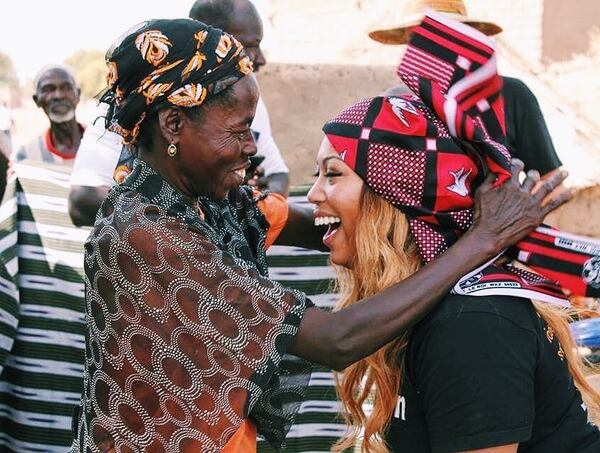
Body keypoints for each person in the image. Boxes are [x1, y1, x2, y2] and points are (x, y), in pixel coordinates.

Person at [70, 18, 569, 452]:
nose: (252, 147)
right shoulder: (148, 233)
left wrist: (441, 199)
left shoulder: (209, 201)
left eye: (335, 175)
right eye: (241, 129)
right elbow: (335, 338)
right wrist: (481, 240)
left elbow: (338, 218)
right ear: (174, 123)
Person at [310, 12, 600, 453]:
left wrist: (491, 233)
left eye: (332, 175)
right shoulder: (419, 304)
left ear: (394, 194)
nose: (311, 194)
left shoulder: (471, 327)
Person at [68, 0, 289, 227]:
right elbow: (81, 201)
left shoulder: (245, 100)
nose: (260, 58)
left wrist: (252, 203)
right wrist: (178, 219)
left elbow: (277, 174)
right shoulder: (131, 106)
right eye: (248, 45)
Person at [368, 0, 563, 176]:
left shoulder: (511, 94)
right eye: (422, 38)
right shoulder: (393, 104)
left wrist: (517, 215)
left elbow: (548, 179)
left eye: (444, 35)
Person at [15, 65, 83, 165]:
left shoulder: (104, 142)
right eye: (48, 89)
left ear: (77, 94)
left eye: (66, 87)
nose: (58, 95)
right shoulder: (27, 156)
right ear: (37, 100)